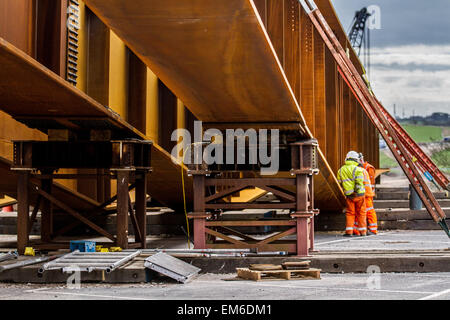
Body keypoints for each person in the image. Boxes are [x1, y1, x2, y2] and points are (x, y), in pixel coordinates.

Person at [337, 151, 367, 237]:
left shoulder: (341, 170)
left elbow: (339, 183)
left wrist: (348, 191)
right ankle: (363, 232)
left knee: (350, 213)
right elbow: (359, 182)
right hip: (359, 195)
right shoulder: (357, 169)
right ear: (356, 160)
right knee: (361, 213)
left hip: (349, 196)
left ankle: (349, 232)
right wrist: (356, 191)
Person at [359, 153, 378, 235]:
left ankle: (373, 229)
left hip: (367, 194)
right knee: (364, 212)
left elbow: (371, 184)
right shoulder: (362, 168)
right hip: (364, 194)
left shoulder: (368, 168)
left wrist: (371, 193)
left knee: (369, 211)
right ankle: (366, 229)